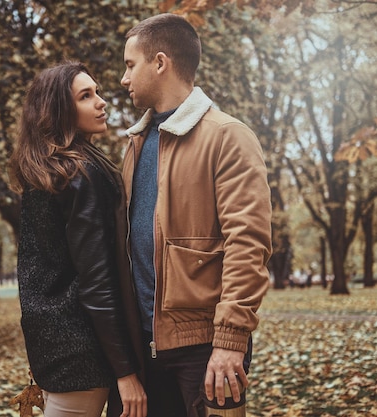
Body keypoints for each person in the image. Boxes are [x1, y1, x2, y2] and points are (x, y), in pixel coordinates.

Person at [120, 14, 272, 417]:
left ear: (160, 62)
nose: (123, 78)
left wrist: (230, 339)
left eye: (129, 64)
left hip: (206, 346)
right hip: (143, 346)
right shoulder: (134, 146)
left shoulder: (228, 136)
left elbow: (248, 242)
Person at [9, 62, 146, 417]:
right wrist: (126, 371)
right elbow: (97, 281)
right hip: (81, 352)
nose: (101, 102)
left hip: (57, 345)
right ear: (59, 110)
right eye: (86, 96)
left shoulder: (52, 169)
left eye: (97, 92)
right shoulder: (78, 175)